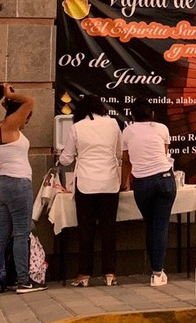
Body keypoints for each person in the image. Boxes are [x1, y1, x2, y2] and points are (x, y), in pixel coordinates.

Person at [0, 82, 46, 295]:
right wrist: (11, 94)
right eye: (27, 117)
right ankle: (23, 281)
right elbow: (30, 101)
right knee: (21, 232)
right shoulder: (11, 126)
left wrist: (7, 98)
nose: (27, 121)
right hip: (17, 183)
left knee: (2, 234)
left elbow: (12, 107)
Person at [59, 94, 122, 287]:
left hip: (85, 183)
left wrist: (61, 157)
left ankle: (84, 275)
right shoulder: (113, 124)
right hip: (110, 182)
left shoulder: (77, 127)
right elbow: (119, 152)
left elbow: (66, 159)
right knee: (108, 228)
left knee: (86, 230)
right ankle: (110, 273)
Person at [120, 100, 176, 287]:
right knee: (160, 226)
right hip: (165, 178)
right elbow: (165, 154)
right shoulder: (162, 128)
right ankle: (157, 272)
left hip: (142, 182)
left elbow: (126, 161)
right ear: (152, 114)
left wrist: (123, 184)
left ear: (132, 116)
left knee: (150, 225)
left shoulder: (128, 131)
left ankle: (155, 269)